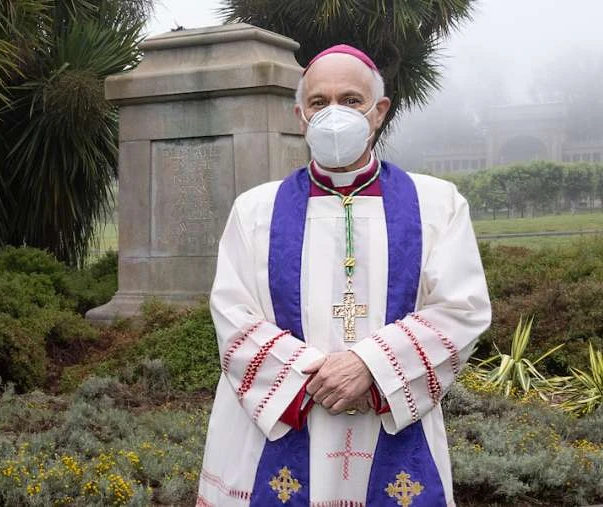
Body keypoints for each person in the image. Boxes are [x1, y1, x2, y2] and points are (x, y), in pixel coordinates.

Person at [197, 44, 491, 507]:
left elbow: (462, 308)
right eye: (319, 102)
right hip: (280, 425)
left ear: (379, 112)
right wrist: (314, 378)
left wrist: (370, 366)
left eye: (351, 100)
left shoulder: (437, 204)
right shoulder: (255, 210)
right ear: (300, 114)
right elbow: (232, 314)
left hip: (386, 421)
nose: (334, 113)